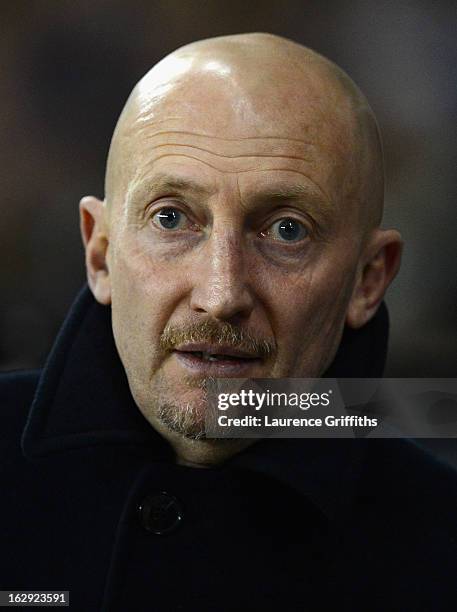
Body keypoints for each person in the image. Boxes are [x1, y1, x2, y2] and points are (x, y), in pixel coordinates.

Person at [0, 33, 456, 611]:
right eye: (171, 219)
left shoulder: (439, 552)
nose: (220, 295)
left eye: (287, 230)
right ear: (100, 253)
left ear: (367, 281)